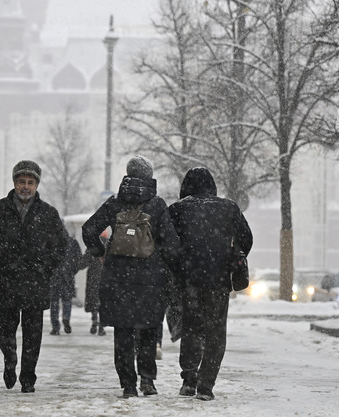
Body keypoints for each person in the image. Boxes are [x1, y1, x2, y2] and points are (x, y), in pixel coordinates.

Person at [81, 155, 179, 398]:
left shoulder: (115, 203)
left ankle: (128, 384)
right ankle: (147, 379)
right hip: (150, 280)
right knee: (148, 330)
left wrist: (100, 253)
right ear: (149, 175)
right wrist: (164, 263)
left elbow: (89, 229)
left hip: (118, 279)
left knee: (123, 332)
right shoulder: (156, 205)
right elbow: (171, 244)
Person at [0, 159, 67, 394]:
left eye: (30, 182)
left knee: (33, 333)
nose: (25, 186)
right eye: (21, 182)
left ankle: (28, 377)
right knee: (4, 329)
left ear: (36, 185)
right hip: (5, 279)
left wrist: (46, 268)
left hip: (35, 280)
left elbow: (61, 246)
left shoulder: (48, 213)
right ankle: (10, 359)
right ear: (14, 183)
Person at [168, 167, 253, 401]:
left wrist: (179, 265)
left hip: (188, 280)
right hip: (218, 280)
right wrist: (231, 254)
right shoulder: (228, 208)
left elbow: (165, 242)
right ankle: (206, 385)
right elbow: (247, 238)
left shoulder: (177, 209)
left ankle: (188, 379)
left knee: (191, 329)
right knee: (216, 332)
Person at [49, 228, 84, 335]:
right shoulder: (72, 242)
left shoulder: (51, 242)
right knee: (67, 300)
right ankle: (66, 318)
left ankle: (55, 326)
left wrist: (49, 272)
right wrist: (72, 271)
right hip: (68, 277)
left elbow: (46, 259)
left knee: (54, 302)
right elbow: (79, 259)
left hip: (54, 277)